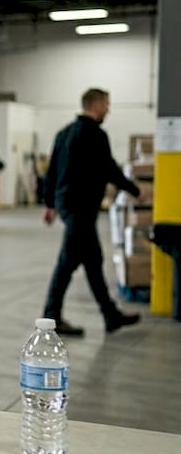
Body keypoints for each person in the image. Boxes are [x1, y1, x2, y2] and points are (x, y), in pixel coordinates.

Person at [41, 88, 141, 337]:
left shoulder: (64, 133)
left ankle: (110, 315)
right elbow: (108, 168)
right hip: (81, 208)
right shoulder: (95, 134)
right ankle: (51, 318)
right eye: (106, 104)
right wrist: (135, 190)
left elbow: (52, 171)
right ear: (95, 105)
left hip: (68, 205)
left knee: (93, 261)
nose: (108, 109)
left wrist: (50, 204)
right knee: (66, 264)